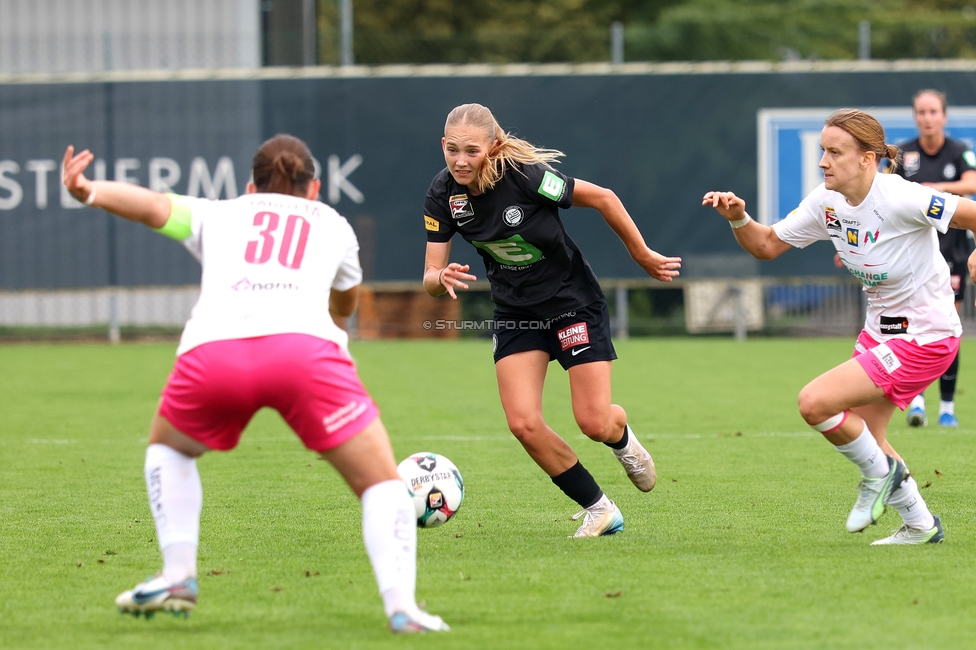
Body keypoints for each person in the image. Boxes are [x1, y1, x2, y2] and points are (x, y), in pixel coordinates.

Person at [61, 135, 449, 633]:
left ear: (250, 187)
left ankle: (177, 575)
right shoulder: (333, 223)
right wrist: (333, 324)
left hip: (214, 352)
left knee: (169, 449)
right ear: (315, 189)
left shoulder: (219, 213)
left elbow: (152, 206)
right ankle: (403, 609)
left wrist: (88, 190)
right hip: (305, 356)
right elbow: (345, 304)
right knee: (379, 483)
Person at [704, 108, 976, 545]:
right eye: (822, 151)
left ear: (868, 158)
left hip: (926, 337)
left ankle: (880, 478)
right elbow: (766, 245)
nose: (823, 161)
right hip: (880, 333)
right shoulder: (826, 201)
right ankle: (921, 525)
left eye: (835, 152)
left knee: (815, 402)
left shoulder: (901, 196)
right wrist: (738, 217)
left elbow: (973, 214)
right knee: (868, 437)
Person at [421, 103, 681, 538]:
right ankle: (600, 509)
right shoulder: (442, 194)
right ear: (443, 145)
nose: (460, 161)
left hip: (571, 302)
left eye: (471, 151)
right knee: (523, 423)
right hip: (516, 313)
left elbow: (604, 198)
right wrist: (439, 278)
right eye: (452, 150)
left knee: (594, 422)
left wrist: (642, 254)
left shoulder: (526, 176)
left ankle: (620, 435)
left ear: (493, 147)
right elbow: (429, 277)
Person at [897, 90, 976, 428]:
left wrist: (935, 188)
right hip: (913, 254)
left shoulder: (959, 151)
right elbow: (882, 193)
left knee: (947, 326)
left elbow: (972, 182)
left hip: (952, 252)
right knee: (912, 324)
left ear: (944, 116)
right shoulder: (903, 153)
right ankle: (916, 400)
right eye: (921, 112)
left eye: (933, 112)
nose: (927, 118)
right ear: (915, 116)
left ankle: (947, 407)